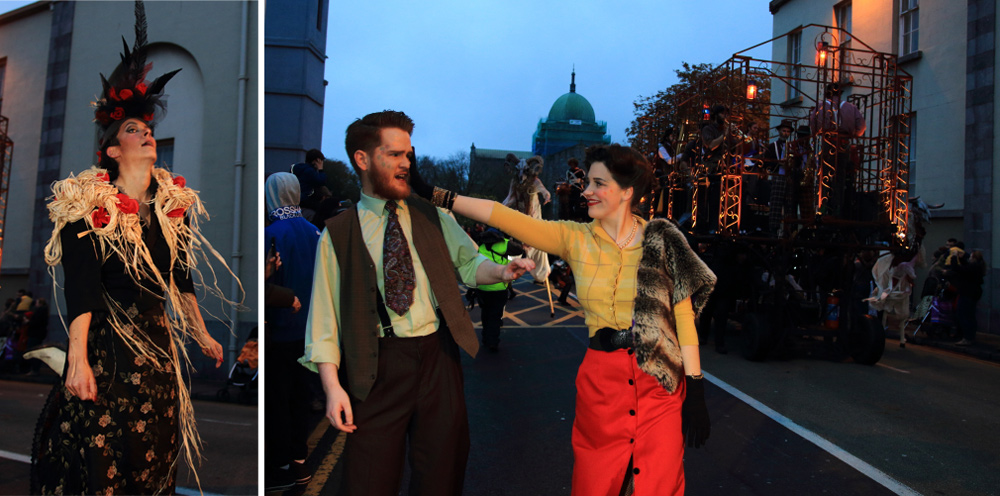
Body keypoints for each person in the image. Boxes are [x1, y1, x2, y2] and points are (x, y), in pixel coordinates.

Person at [411, 143, 715, 495]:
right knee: (594, 483)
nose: (586, 191)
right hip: (602, 383)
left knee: (659, 484)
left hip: (658, 382)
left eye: (599, 184)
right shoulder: (574, 238)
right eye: (588, 182)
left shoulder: (662, 240)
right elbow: (499, 214)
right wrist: (431, 193)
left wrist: (695, 387)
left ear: (626, 192)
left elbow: (683, 317)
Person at [30, 5, 232, 493]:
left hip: (157, 349)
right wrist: (77, 357)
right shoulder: (85, 203)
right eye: (132, 131)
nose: (145, 134)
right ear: (112, 151)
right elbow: (81, 287)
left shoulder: (172, 207)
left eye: (148, 129)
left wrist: (200, 332)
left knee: (154, 454)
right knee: (105, 455)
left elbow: (180, 277)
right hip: (109, 346)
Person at [300, 110, 533, 496]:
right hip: (376, 364)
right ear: (363, 159)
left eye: (408, 154)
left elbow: (470, 264)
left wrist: (502, 271)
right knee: (368, 480)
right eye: (394, 154)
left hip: (438, 357)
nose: (406, 163)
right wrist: (332, 387)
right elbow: (324, 322)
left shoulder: (431, 214)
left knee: (442, 474)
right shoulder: (337, 233)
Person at [263, 172, 321, 491]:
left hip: (280, 331)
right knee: (301, 397)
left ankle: (282, 465)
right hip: (309, 333)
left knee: (278, 401)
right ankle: (300, 460)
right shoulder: (316, 232)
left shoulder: (271, 233)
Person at [810, 82, 866, 218]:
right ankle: (838, 208)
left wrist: (817, 133)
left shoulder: (821, 106)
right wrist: (852, 134)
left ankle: (823, 207)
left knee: (825, 175)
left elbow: (813, 123)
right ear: (840, 94)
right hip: (843, 144)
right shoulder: (851, 107)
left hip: (828, 141)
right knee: (840, 175)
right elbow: (861, 127)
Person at [471, 228, 524, 352]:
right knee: (495, 315)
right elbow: (519, 249)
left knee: (485, 313)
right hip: (499, 287)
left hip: (482, 285)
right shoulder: (504, 244)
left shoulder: (481, 246)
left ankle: (485, 337)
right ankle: (492, 341)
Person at [946, 250, 986, 345]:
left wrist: (954, 258)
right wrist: (961, 258)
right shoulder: (977, 267)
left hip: (967, 294)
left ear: (974, 259)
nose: (969, 259)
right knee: (969, 315)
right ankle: (969, 336)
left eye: (971, 257)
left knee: (964, 315)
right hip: (972, 294)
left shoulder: (973, 267)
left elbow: (958, 268)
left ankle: (967, 337)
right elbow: (966, 267)